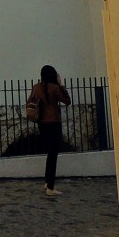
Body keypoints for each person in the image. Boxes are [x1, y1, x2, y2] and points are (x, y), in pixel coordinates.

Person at [30, 64, 71, 196]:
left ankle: (48, 181)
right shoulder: (54, 88)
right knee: (53, 154)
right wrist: (60, 84)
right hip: (54, 122)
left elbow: (30, 101)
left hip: (42, 123)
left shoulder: (36, 87)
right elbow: (67, 101)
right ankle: (50, 187)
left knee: (49, 153)